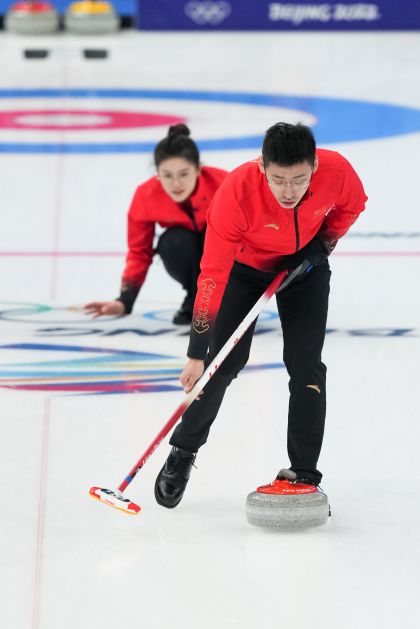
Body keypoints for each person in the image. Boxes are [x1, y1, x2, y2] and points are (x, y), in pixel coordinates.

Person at [154, 122, 367, 508]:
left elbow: (354, 204)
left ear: (315, 166)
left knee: (306, 366)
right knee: (223, 364)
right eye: (278, 180)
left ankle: (304, 474)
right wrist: (197, 352)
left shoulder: (337, 171)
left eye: (299, 180)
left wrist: (322, 244)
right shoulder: (236, 194)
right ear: (261, 167)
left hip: (304, 269)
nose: (289, 191)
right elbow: (211, 278)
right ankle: (183, 450)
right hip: (246, 271)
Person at [84, 124, 228, 324]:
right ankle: (196, 298)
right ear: (158, 174)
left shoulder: (225, 184)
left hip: (230, 257)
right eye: (167, 175)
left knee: (216, 235)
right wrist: (125, 300)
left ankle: (228, 298)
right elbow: (139, 251)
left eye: (184, 174)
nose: (176, 184)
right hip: (188, 252)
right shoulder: (146, 196)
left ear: (198, 170)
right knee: (174, 241)